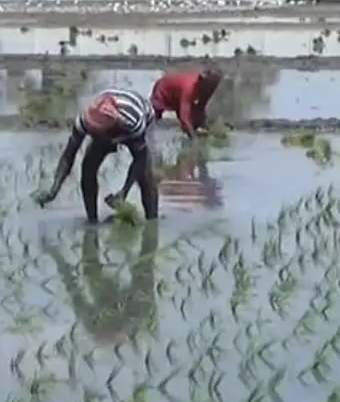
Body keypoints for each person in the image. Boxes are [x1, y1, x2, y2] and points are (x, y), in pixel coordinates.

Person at [31, 87, 159, 224]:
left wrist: (124, 192)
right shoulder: (84, 121)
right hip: (110, 125)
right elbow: (69, 156)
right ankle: (92, 220)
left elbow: (140, 159)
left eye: (99, 134)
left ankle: (152, 220)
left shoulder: (133, 121)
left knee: (145, 175)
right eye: (94, 133)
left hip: (140, 117)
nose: (96, 136)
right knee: (88, 167)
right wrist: (53, 190)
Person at [41, 223, 160, 344]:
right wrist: (57, 256)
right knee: (142, 268)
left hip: (122, 303)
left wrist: (56, 256)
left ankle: (91, 236)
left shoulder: (96, 322)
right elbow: (74, 289)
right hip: (119, 303)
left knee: (142, 268)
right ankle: (91, 236)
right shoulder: (135, 319)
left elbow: (74, 290)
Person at [150, 68, 224, 138]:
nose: (211, 90)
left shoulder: (207, 90)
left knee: (193, 120)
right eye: (210, 87)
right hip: (162, 89)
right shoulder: (189, 89)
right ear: (203, 83)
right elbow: (184, 118)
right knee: (156, 119)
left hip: (177, 93)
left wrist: (203, 126)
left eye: (214, 87)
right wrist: (193, 138)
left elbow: (201, 107)